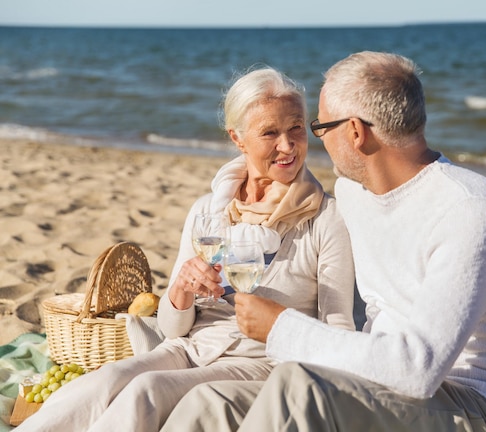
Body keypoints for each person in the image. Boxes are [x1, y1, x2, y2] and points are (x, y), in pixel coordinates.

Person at [162, 51, 486, 432]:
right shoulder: (354, 195)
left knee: (296, 387)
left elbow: (418, 370)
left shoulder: (469, 207)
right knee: (210, 402)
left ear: (355, 132)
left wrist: (280, 327)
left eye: (319, 128)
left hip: (479, 405)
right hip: (380, 382)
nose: (314, 141)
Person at [16, 67, 356, 432]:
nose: (288, 146)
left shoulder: (325, 218)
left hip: (262, 360)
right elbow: (172, 329)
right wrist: (180, 291)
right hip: (190, 348)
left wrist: (277, 326)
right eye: (270, 133)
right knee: (101, 383)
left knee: (147, 389)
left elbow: (338, 327)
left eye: (296, 128)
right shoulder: (208, 211)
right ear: (238, 139)